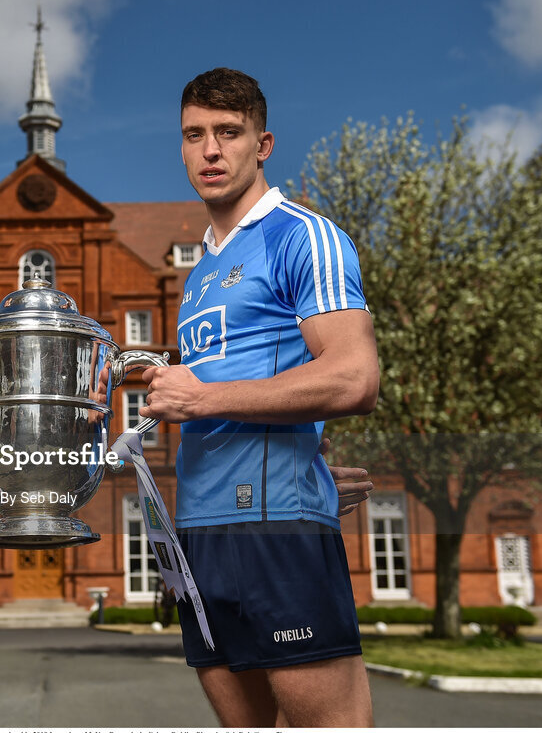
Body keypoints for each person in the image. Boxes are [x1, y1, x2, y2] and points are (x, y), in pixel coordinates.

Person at [139, 68, 379, 728]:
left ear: (263, 143)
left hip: (281, 536)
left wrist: (203, 399)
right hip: (201, 540)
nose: (210, 150)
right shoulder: (200, 272)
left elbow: (355, 377)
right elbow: (270, 380)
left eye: (228, 132)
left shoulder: (303, 236)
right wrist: (311, 460)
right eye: (194, 135)